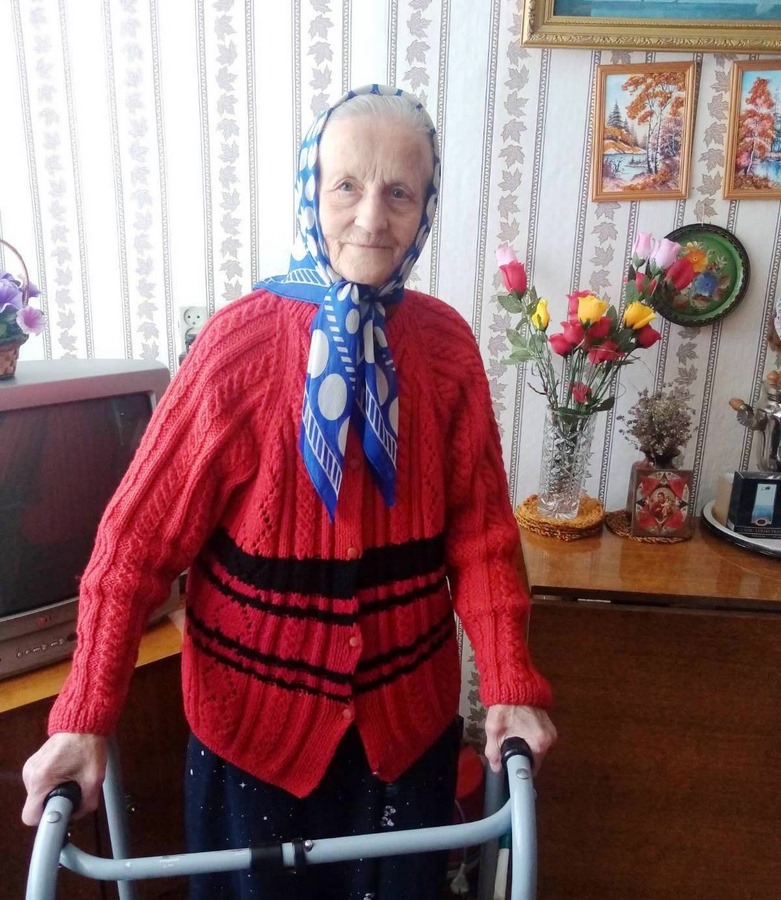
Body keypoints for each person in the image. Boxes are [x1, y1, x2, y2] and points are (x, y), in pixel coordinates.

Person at [22, 84, 556, 899]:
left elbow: (482, 541)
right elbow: (133, 548)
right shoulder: (235, 349)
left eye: (399, 192)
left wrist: (512, 684)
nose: (371, 218)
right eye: (347, 186)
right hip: (253, 738)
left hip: (405, 731)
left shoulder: (445, 349)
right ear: (311, 192)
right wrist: (82, 716)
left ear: (425, 207)